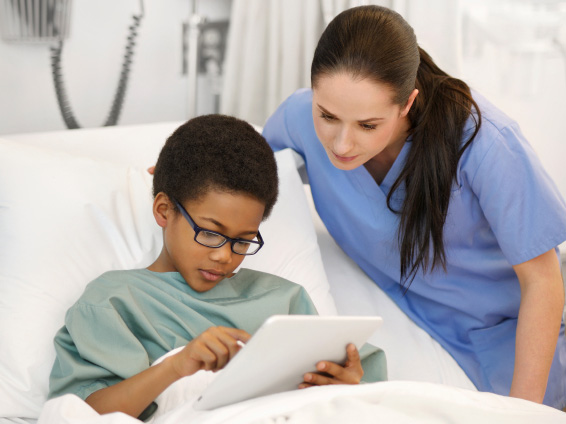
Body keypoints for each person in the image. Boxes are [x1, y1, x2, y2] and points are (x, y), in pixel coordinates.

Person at [262, 5, 566, 409]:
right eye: (328, 115)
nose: (341, 144)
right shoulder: (300, 117)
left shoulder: (487, 144)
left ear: (407, 104)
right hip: (408, 319)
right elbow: (253, 163)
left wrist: (521, 415)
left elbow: (543, 280)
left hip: (506, 333)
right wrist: (202, 166)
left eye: (368, 125)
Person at [48, 115, 387, 420]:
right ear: (165, 211)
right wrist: (176, 367)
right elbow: (84, 413)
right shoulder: (115, 301)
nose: (225, 256)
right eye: (211, 234)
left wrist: (347, 384)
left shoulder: (284, 300)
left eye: (243, 241)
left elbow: (361, 395)